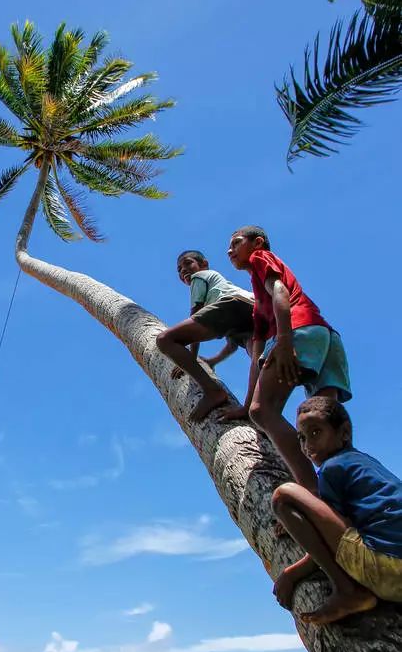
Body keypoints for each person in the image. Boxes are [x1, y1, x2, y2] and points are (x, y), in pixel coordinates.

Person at [223, 225, 351, 492]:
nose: (229, 250)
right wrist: (246, 404)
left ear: (257, 243)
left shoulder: (261, 258)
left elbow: (280, 290)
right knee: (326, 421)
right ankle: (345, 490)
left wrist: (283, 341)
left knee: (263, 411)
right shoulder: (259, 303)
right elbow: (256, 356)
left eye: (236, 243)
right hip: (325, 337)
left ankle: (311, 491)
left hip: (298, 329)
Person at [272, 397, 402, 625]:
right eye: (301, 438)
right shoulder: (363, 463)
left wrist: (291, 574)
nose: (307, 446)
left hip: (388, 569)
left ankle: (347, 590)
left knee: (284, 495)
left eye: (315, 433)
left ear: (344, 432)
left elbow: (330, 539)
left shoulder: (332, 468)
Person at [156, 249, 254, 421]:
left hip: (234, 304)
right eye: (179, 269)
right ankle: (251, 410)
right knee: (260, 361)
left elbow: (195, 313)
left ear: (204, 264)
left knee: (165, 339)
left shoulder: (200, 277)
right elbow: (232, 345)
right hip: (250, 314)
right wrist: (213, 361)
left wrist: (191, 358)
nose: (183, 270)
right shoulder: (219, 290)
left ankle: (213, 391)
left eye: (187, 263)